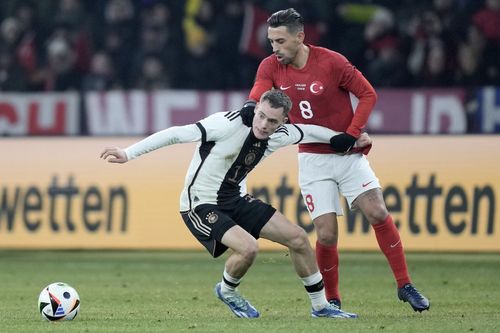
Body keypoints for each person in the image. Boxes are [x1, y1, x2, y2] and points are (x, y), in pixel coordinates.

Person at [101, 90, 372, 319]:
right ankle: (227, 291)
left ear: (283, 122)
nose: (264, 124)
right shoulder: (225, 124)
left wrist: (349, 137)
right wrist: (128, 153)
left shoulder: (281, 134)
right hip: (200, 203)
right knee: (248, 249)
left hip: (235, 198)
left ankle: (321, 306)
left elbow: (309, 131)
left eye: (273, 121)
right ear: (256, 109)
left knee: (299, 239)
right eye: (262, 115)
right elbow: (174, 134)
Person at [240, 8, 430, 312]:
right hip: (313, 160)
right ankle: (331, 301)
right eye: (271, 41)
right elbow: (259, 90)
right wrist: (251, 105)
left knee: (378, 212)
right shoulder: (270, 66)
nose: (274, 48)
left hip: (347, 154)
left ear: (299, 37)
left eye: (279, 41)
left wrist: (353, 133)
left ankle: (405, 285)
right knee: (327, 233)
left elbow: (368, 95)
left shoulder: (332, 62)